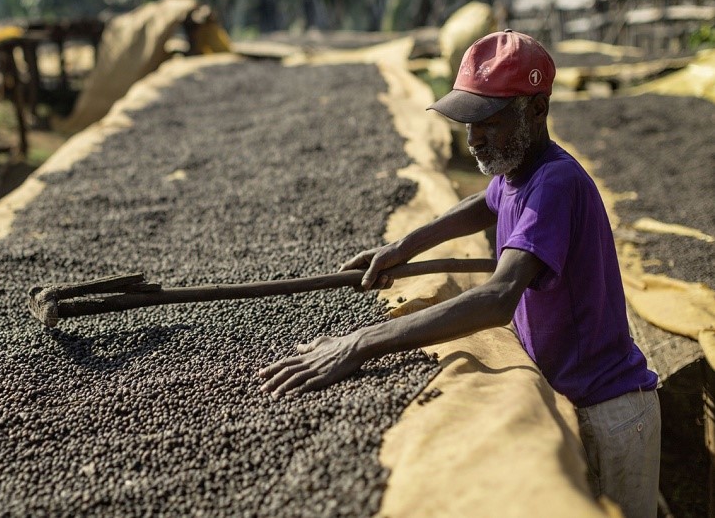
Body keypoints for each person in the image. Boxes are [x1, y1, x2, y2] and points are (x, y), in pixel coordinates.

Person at [258, 29, 660, 518]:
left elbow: (497, 299)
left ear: (537, 110)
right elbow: (481, 204)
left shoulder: (555, 182)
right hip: (570, 398)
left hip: (609, 414)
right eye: (467, 122)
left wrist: (362, 342)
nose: (473, 138)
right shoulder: (519, 172)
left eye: (488, 121)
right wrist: (401, 247)